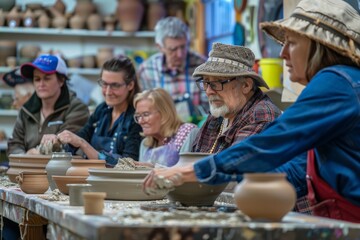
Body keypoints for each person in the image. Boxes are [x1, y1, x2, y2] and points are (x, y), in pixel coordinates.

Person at [144, 0, 360, 223]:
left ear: (319, 46)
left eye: (292, 43)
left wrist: (188, 173)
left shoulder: (335, 84)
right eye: (206, 83)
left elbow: (269, 144)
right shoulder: (341, 82)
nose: (283, 53)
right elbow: (297, 165)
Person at [189, 43, 282, 154]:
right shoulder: (220, 113)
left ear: (246, 86)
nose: (209, 91)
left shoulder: (262, 115)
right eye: (206, 82)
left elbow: (232, 164)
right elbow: (195, 157)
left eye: (218, 82)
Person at [55, 57, 143, 167]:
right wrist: (58, 141)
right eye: (104, 84)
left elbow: (129, 165)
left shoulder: (138, 117)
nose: (108, 92)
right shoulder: (102, 110)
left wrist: (83, 144)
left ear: (130, 85)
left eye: (115, 85)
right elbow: (82, 136)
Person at [7, 54, 89, 155]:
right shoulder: (26, 110)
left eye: (47, 78)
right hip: (27, 168)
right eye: (37, 79)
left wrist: (36, 153)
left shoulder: (77, 108)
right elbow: (14, 144)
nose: (41, 84)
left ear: (61, 81)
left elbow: (67, 145)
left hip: (61, 169)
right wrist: (24, 156)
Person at [137, 16, 207, 123]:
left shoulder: (203, 66)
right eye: (173, 49)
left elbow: (210, 108)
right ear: (160, 47)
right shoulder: (147, 71)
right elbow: (144, 111)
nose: (180, 54)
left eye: (183, 47)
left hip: (196, 132)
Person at [134, 88, 197, 167]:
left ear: (165, 113)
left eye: (146, 114)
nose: (140, 121)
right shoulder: (145, 144)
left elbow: (187, 172)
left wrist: (154, 168)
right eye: (138, 116)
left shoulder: (187, 132)